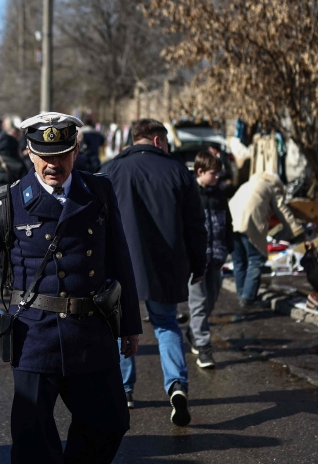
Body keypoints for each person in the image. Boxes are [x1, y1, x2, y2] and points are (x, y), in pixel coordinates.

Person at [0, 112, 142, 463]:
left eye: (61, 154)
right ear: (29, 152)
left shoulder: (98, 191)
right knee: (33, 441)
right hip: (34, 336)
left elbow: (120, 259)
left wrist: (130, 324)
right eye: (44, 155)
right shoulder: (7, 202)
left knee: (110, 422)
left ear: (76, 151)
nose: (53, 164)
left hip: (91, 332)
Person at [101, 118, 207, 425]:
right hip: (166, 265)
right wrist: (198, 264)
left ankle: (125, 390)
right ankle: (176, 385)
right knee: (166, 325)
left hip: (120, 266)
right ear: (158, 141)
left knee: (121, 327)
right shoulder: (177, 171)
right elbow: (195, 225)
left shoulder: (111, 170)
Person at [187, 149, 234, 370]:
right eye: (213, 174)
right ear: (200, 171)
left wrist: (229, 247)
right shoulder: (189, 195)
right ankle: (204, 347)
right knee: (198, 303)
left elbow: (228, 223)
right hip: (196, 261)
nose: (217, 178)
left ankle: (194, 330)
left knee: (212, 300)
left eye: (218, 174)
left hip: (216, 259)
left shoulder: (220, 195)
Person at [227, 171, 303, 306]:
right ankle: (248, 298)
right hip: (250, 225)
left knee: (239, 261)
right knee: (255, 260)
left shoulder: (249, 184)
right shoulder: (271, 187)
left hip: (231, 223)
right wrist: (298, 231)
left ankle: (242, 294)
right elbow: (283, 211)